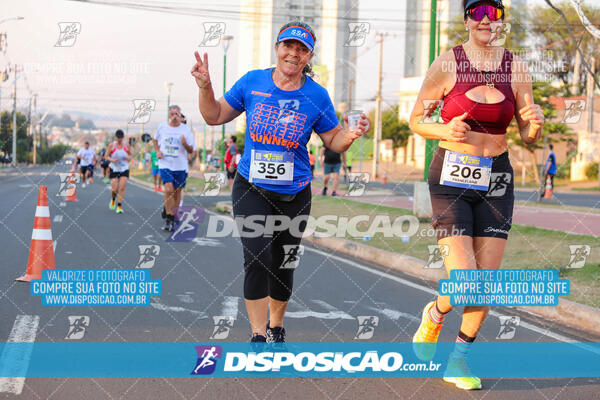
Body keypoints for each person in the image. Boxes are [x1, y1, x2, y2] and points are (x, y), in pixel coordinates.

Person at [192, 20, 368, 343]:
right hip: (251, 187)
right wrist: (205, 87)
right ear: (277, 48)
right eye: (288, 46)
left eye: (302, 49)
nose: (293, 53)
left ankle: (276, 326)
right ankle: (259, 335)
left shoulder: (317, 95)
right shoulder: (253, 83)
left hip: (295, 193)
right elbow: (214, 115)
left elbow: (333, 140)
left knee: (283, 265)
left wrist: (351, 135)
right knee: (258, 257)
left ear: (308, 57)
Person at [408, 0, 544, 390]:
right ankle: (434, 314)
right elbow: (417, 119)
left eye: (494, 13)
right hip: (452, 174)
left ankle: (459, 360)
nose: (486, 20)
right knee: (466, 281)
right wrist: (444, 130)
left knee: (486, 282)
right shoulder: (447, 63)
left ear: (502, 21)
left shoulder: (515, 67)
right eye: (478, 12)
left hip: (497, 177)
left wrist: (534, 126)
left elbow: (526, 131)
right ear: (466, 19)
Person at [153, 105, 195, 232]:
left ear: (180, 115)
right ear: (169, 115)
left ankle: (175, 217)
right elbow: (155, 140)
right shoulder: (162, 127)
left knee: (177, 192)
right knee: (168, 189)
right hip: (165, 163)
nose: (174, 116)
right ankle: (169, 217)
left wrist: (184, 143)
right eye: (172, 114)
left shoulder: (186, 130)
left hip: (180, 166)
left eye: (176, 114)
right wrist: (157, 151)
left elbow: (191, 150)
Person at [104, 130, 131, 214]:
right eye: (118, 138)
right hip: (114, 168)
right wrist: (112, 160)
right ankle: (113, 199)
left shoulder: (126, 145)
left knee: (122, 187)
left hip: (124, 168)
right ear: (116, 137)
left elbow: (130, 154)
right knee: (114, 189)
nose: (119, 140)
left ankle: (119, 206)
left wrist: (128, 158)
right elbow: (106, 156)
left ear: (123, 138)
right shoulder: (111, 145)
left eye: (121, 138)